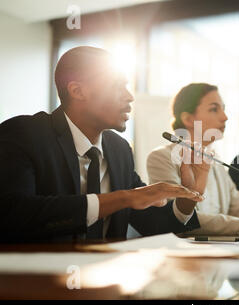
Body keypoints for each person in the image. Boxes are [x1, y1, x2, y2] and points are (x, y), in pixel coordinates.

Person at [0, 46, 206, 243]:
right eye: (117, 86)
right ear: (77, 91)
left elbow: (155, 225)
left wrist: (186, 198)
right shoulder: (24, 134)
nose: (130, 96)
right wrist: (123, 198)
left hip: (106, 276)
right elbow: (12, 214)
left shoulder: (119, 150)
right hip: (36, 276)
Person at [147, 83, 239, 236]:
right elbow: (184, 219)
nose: (225, 117)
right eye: (214, 109)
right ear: (188, 119)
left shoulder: (216, 162)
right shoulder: (161, 158)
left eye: (223, 108)